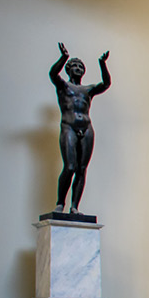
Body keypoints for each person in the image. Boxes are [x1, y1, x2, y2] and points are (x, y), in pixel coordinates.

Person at [50, 42, 111, 215]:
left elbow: (106, 84)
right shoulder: (64, 87)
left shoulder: (88, 90)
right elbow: (53, 74)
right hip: (69, 126)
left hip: (86, 128)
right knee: (70, 167)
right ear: (68, 69)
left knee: (82, 169)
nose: (77, 68)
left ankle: (75, 206)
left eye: (80, 66)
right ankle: (60, 203)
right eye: (74, 66)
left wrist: (102, 64)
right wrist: (63, 58)